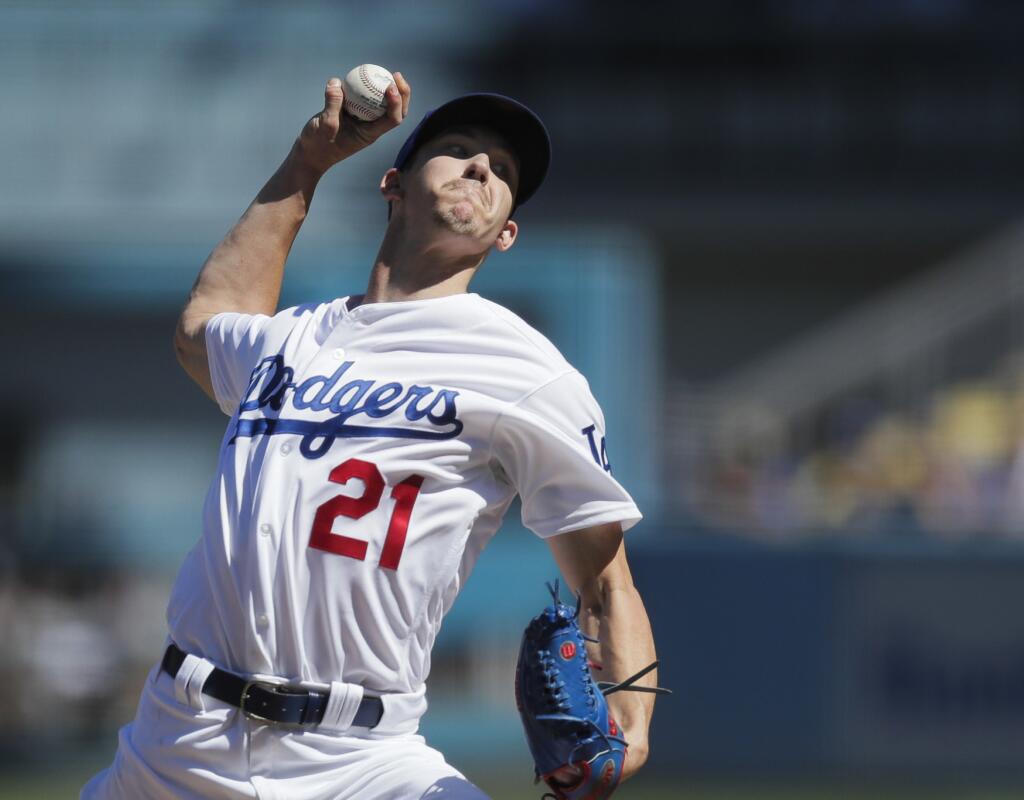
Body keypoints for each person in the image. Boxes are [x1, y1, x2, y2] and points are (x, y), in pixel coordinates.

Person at [82, 71, 660, 799]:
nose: (480, 167)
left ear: (506, 232)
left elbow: (607, 581)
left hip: (361, 761)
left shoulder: (529, 374)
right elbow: (203, 327)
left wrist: (632, 729)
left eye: (503, 172)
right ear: (394, 183)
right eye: (456, 149)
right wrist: (307, 161)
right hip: (178, 743)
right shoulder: (294, 339)